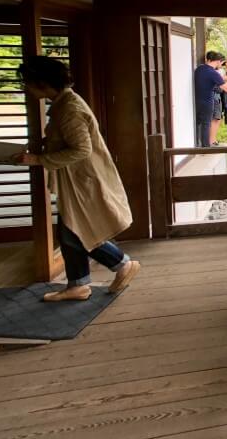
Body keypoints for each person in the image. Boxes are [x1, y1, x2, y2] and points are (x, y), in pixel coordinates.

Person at [14, 56, 140, 301]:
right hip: (79, 179)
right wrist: (43, 146)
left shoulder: (70, 108)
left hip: (84, 179)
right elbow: (69, 141)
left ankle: (120, 264)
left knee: (76, 230)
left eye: (28, 83)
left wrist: (38, 160)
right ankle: (79, 284)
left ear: (42, 83)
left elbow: (81, 149)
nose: (26, 88)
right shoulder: (64, 103)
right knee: (71, 229)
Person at [194, 51, 227, 147]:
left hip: (196, 101)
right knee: (206, 124)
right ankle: (205, 147)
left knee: (197, 124)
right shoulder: (213, 73)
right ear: (218, 61)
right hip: (207, 102)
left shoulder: (199, 69)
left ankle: (196, 145)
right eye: (221, 62)